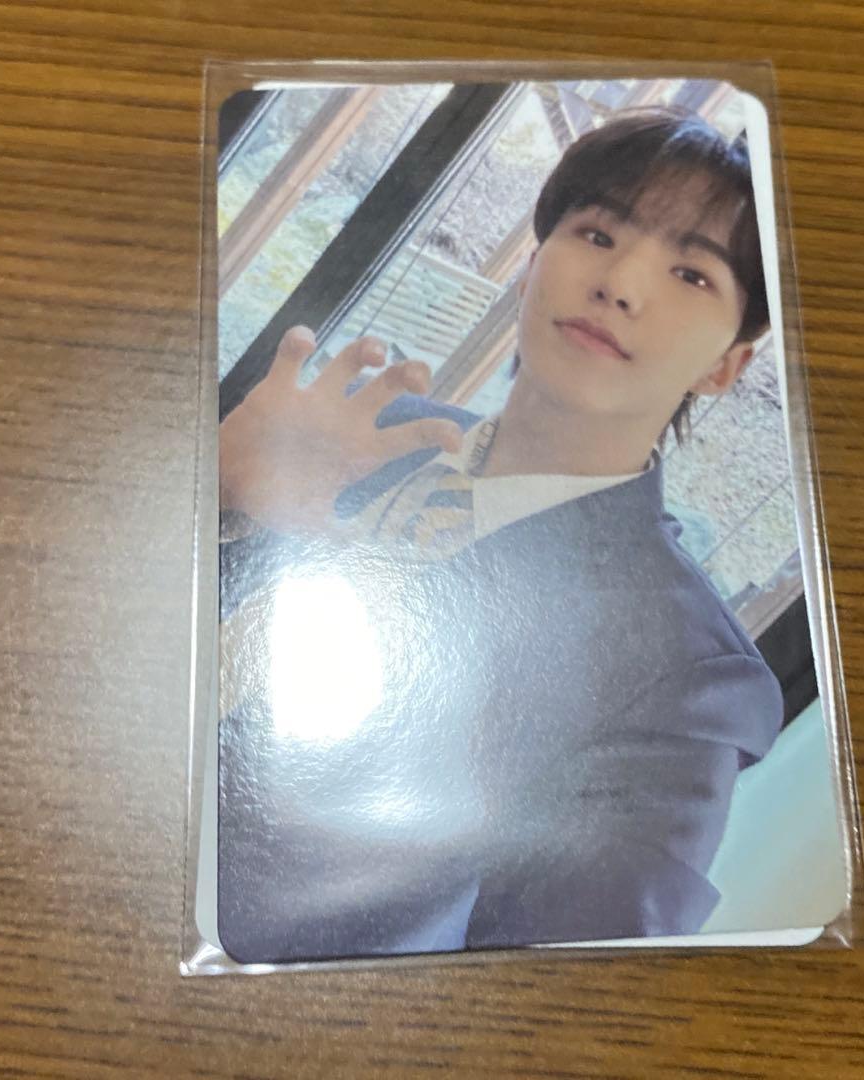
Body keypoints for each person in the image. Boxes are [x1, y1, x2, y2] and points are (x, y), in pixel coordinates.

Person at [216, 106, 784, 964]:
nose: (620, 283)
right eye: (596, 234)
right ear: (529, 268)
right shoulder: (365, 429)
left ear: (724, 366)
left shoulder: (683, 679)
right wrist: (216, 495)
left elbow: (553, 998)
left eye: (691, 275)